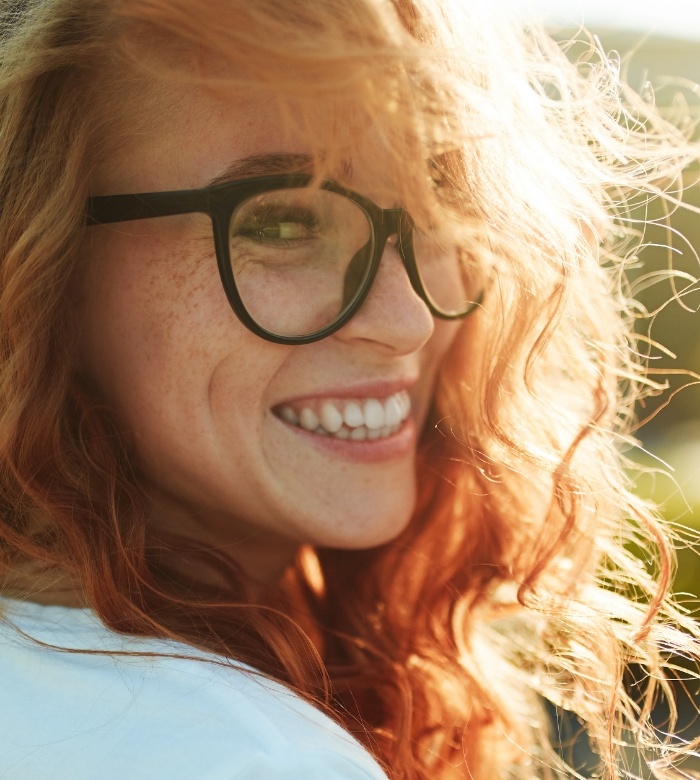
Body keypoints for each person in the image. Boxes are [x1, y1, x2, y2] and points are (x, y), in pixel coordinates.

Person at [0, 0, 698, 777]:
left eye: (440, 205)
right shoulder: (246, 757)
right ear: (42, 262)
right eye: (281, 223)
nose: (406, 321)